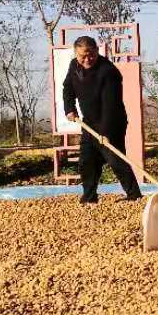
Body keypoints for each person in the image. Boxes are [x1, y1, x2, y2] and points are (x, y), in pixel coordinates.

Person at [62, 35, 142, 205]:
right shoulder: (74, 66)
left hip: (112, 122)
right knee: (87, 161)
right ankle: (89, 197)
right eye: (82, 56)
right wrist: (70, 109)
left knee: (116, 159)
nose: (86, 59)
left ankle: (134, 196)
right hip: (89, 122)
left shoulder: (108, 72)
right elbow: (67, 88)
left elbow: (110, 106)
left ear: (97, 51)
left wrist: (106, 133)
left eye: (90, 54)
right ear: (76, 54)